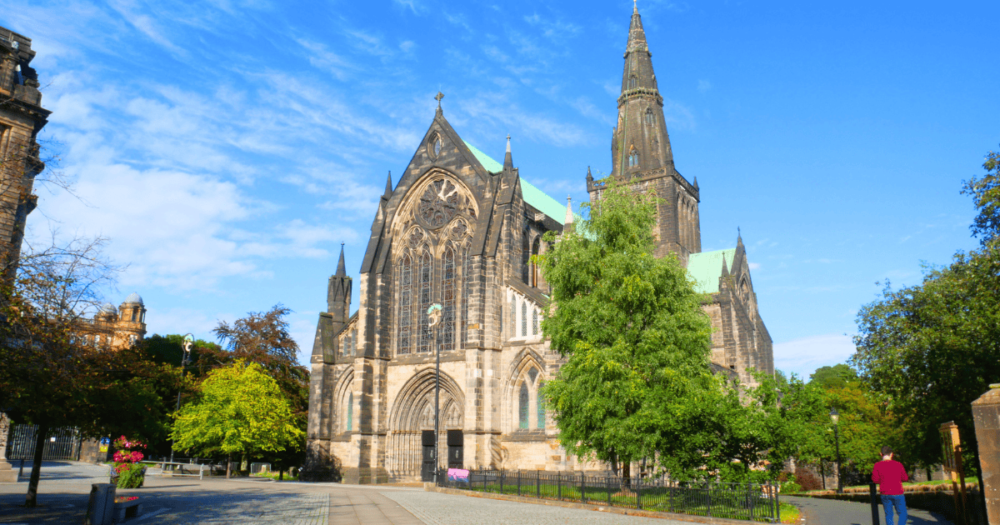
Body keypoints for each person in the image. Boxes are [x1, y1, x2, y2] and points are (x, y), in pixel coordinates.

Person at [872, 446, 909, 525]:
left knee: (889, 514)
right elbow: (905, 478)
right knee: (902, 513)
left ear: (881, 454)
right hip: (897, 491)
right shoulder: (898, 464)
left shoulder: (877, 465)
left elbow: (875, 479)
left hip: (885, 492)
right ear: (891, 454)